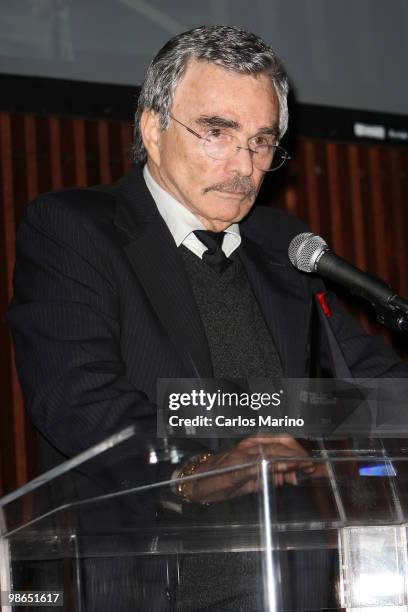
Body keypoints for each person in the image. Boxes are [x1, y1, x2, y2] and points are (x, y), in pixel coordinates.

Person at [8, 25, 408, 611]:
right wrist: (197, 469)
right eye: (218, 132)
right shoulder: (76, 230)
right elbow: (78, 397)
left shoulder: (281, 243)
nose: (245, 165)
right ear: (152, 127)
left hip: (288, 585)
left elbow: (367, 383)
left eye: (262, 141)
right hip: (141, 582)